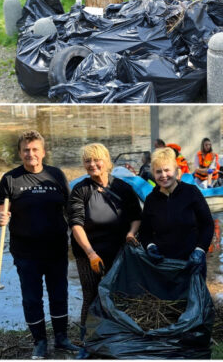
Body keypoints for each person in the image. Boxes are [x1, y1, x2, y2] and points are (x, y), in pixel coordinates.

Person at [0, 130, 79, 359]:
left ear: (43, 152)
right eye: (26, 150)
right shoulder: (10, 179)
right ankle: (40, 341)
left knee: (59, 294)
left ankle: (61, 338)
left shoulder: (57, 175)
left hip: (57, 248)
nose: (31, 154)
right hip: (26, 252)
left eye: (35, 150)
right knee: (32, 298)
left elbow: (70, 210)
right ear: (20, 153)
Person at [67, 143, 142, 358]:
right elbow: (76, 225)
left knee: (119, 295)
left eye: (96, 160)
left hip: (119, 252)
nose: (92, 165)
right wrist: (90, 253)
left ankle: (118, 338)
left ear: (106, 161)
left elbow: (136, 217)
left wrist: (131, 234)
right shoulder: (81, 190)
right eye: (87, 161)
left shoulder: (123, 188)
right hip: (89, 254)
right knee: (91, 296)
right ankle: (86, 342)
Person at [139, 147, 214, 277]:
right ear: (153, 174)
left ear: (176, 171)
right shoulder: (151, 200)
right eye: (158, 172)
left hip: (192, 262)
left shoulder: (191, 192)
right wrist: (150, 246)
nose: (163, 175)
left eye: (167, 170)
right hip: (163, 265)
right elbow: (145, 232)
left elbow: (207, 224)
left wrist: (200, 250)